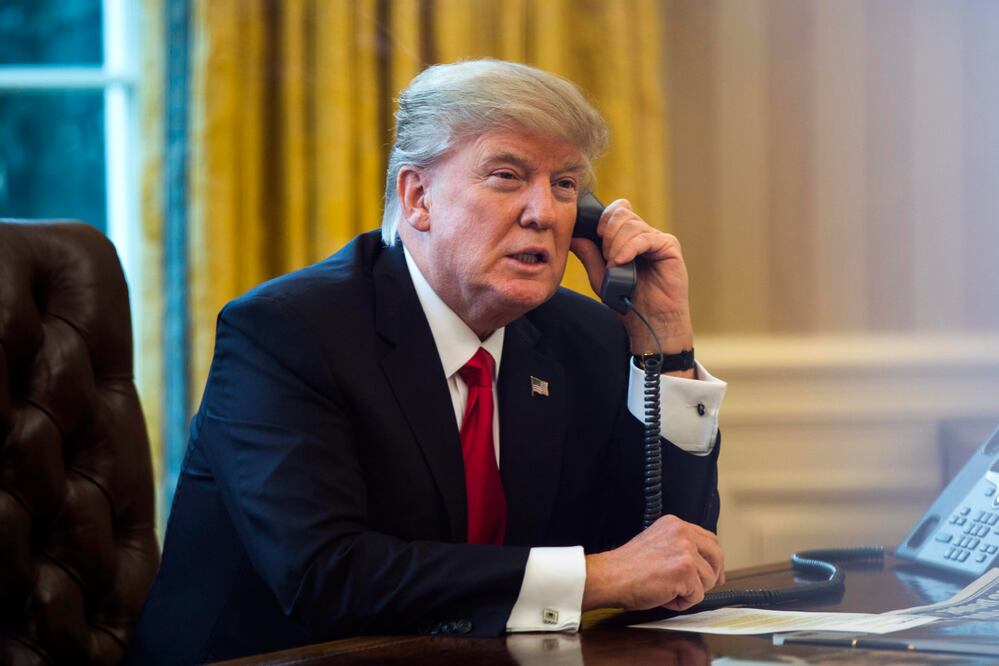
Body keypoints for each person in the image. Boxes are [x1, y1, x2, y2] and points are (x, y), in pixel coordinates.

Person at [128, 59, 728, 664]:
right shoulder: (289, 331)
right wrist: (595, 579)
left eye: (566, 185)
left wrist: (666, 345)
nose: (543, 213)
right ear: (418, 198)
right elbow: (327, 575)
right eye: (506, 176)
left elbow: (666, 561)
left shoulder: (585, 335)